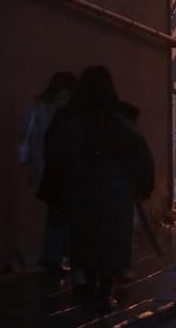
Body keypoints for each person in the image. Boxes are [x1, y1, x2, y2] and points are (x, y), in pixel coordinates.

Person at [41, 66, 154, 314]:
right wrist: (143, 186)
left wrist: (57, 189)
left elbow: (54, 153)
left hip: (80, 185)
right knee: (112, 238)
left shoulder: (71, 119)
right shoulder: (121, 119)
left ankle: (87, 283)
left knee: (85, 236)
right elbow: (140, 155)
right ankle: (105, 290)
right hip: (116, 186)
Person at [22, 71, 76, 294]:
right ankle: (61, 255)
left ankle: (53, 258)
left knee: (55, 213)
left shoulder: (39, 106)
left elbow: (24, 129)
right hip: (65, 169)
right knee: (68, 213)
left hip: (44, 168)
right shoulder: (72, 108)